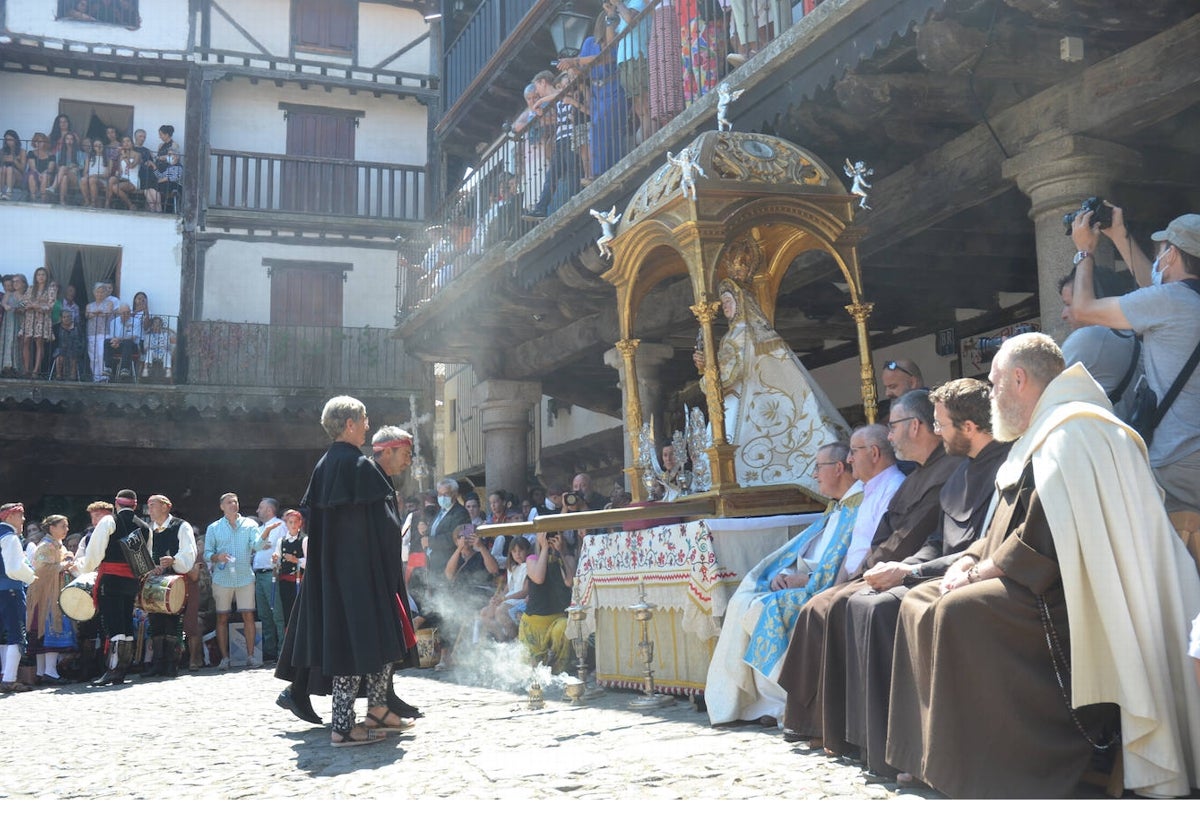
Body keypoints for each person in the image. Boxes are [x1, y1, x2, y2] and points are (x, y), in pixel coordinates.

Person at [887, 333, 1200, 798]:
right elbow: (1001, 525)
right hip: (1037, 578)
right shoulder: (1039, 433)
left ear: (1019, 378)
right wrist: (970, 559)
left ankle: (1003, 767)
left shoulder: (1078, 430)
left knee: (958, 610)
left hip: (1073, 596)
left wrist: (977, 573)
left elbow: (1046, 536)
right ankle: (938, 759)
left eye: (994, 384)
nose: (991, 395)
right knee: (918, 600)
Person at [839, 379, 1010, 776]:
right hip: (936, 568)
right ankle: (876, 747)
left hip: (967, 575)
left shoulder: (1002, 468)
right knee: (863, 603)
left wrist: (910, 570)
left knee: (882, 609)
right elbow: (936, 540)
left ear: (968, 427)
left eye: (942, 425)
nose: (936, 433)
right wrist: (901, 567)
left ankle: (913, 751)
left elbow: (980, 547)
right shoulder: (958, 473)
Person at [777, 402, 959, 746]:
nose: (891, 436)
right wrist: (861, 570)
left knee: (833, 606)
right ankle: (814, 723)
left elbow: (911, 535)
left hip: (907, 567)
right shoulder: (917, 475)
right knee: (817, 605)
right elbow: (883, 532)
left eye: (894, 427)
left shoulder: (945, 470)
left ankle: (842, 730)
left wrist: (868, 571)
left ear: (916, 427)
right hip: (880, 564)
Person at [277, 396, 414, 747]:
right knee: (351, 648)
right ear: (350, 424)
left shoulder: (323, 466)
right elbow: (382, 528)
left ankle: (379, 712)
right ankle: (341, 727)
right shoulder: (359, 467)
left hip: (338, 574)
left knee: (382, 642)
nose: (368, 425)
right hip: (361, 577)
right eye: (364, 419)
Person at [705, 440, 863, 726]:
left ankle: (786, 703)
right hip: (804, 581)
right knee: (743, 601)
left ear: (839, 468)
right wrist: (784, 571)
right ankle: (759, 703)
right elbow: (808, 550)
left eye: (818, 467)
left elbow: (849, 561)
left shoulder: (860, 505)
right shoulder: (836, 507)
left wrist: (806, 580)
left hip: (825, 587)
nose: (814, 474)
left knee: (763, 609)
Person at [1070, 208, 1200, 512]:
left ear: (1173, 254)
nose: (1158, 257)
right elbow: (1153, 290)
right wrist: (1119, 235)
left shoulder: (1170, 301)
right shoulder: (1182, 302)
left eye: (1161, 250)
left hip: (1176, 458)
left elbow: (1083, 309)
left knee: (1171, 553)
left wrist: (1084, 252)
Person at [695, 275, 849, 495]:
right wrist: (706, 367)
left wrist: (708, 366)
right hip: (733, 401)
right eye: (724, 303)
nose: (726, 307)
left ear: (741, 304)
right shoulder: (732, 336)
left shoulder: (746, 335)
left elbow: (730, 375)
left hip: (749, 400)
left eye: (730, 302)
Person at [76, 489, 142, 687]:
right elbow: (143, 560)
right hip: (131, 580)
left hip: (111, 579)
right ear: (135, 505)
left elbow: (95, 552)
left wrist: (85, 569)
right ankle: (122, 669)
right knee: (126, 624)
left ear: (116, 503)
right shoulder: (144, 526)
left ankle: (113, 669)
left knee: (113, 625)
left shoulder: (109, 521)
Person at [1057, 268, 1141, 421]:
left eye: (1069, 304)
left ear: (1093, 300)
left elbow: (1042, 395)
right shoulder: (1131, 336)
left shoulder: (1090, 337)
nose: (1063, 314)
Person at [204, 492, 261, 670]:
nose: (233, 504)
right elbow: (206, 554)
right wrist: (217, 557)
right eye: (229, 502)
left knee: (248, 615)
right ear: (222, 506)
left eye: (235, 501)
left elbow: (257, 545)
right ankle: (225, 658)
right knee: (221, 617)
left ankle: (251, 657)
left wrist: (265, 536)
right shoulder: (213, 528)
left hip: (244, 576)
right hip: (222, 578)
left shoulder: (250, 524)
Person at [142, 494, 196, 679]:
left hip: (175, 582)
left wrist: (174, 560)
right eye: (148, 505)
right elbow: (145, 555)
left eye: (153, 504)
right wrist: (151, 568)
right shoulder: (148, 530)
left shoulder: (181, 526)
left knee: (173, 622)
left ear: (166, 506)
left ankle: (172, 665)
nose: (149, 508)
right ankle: (158, 664)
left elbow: (189, 551)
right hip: (155, 582)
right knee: (155, 621)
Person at [26, 514, 77, 685]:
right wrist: (64, 565)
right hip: (46, 595)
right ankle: (49, 672)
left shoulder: (57, 545)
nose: (66, 529)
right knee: (48, 631)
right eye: (63, 526)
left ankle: (43, 671)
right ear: (52, 528)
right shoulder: (46, 546)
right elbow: (41, 569)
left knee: (44, 633)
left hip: (52, 592)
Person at [520, 531, 577, 673]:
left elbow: (569, 582)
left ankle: (558, 671)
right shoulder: (532, 559)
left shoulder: (567, 559)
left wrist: (560, 553)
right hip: (535, 622)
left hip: (557, 619)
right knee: (533, 669)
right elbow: (539, 578)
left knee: (563, 627)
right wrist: (544, 548)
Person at [0, 503, 35, 693]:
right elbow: (14, 568)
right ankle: (9, 679)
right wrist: (31, 577)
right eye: (20, 516)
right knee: (16, 634)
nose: (23, 520)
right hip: (10, 590)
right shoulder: (10, 537)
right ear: (10, 516)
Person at [250, 497, 285, 663]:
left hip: (272, 574)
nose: (257, 511)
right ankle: (269, 650)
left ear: (269, 510)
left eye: (260, 507)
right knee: (264, 614)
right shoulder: (260, 528)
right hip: (259, 574)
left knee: (277, 614)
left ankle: (282, 650)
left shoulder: (280, 525)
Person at [21, 267, 56, 379]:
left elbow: (50, 305)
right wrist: (37, 304)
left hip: (42, 319)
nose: (41, 276)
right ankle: (27, 369)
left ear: (46, 277)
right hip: (30, 318)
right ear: (35, 277)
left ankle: (36, 370)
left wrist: (35, 305)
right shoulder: (31, 288)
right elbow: (24, 302)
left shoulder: (50, 289)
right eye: (38, 274)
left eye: (43, 274)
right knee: (26, 341)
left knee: (39, 342)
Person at [85, 282, 118, 381]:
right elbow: (87, 315)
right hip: (92, 332)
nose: (99, 294)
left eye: (102, 292)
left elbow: (107, 313)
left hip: (104, 332)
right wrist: (97, 313)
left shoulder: (109, 303)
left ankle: (104, 377)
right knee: (93, 356)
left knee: (102, 354)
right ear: (94, 293)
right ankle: (96, 378)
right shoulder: (89, 305)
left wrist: (95, 313)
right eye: (97, 292)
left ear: (105, 293)